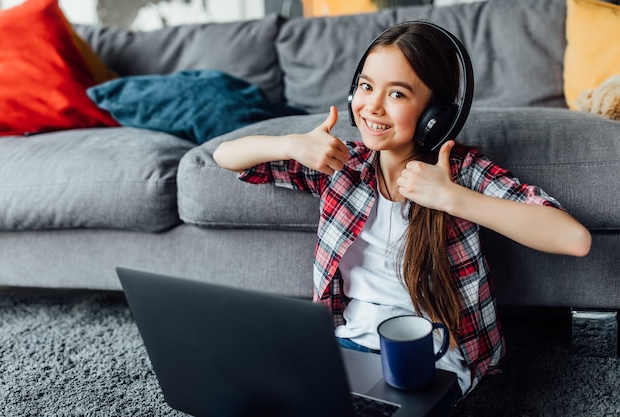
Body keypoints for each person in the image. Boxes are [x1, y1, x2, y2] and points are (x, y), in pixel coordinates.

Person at [212, 21, 591, 397]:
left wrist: (452, 198)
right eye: (366, 86)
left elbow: (574, 239)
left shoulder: (459, 171)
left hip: (434, 355)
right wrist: (291, 145)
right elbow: (226, 156)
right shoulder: (345, 165)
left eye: (397, 94)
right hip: (347, 343)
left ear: (436, 114)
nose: (372, 106)